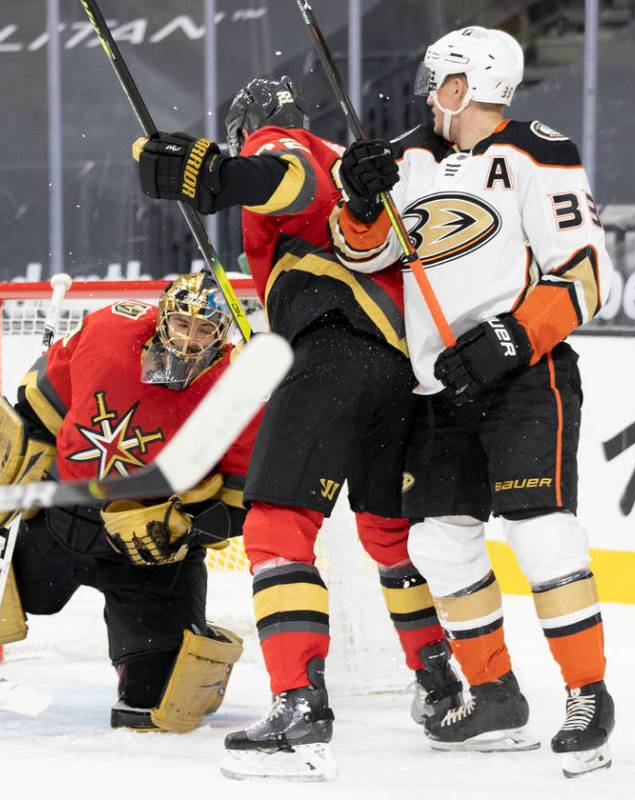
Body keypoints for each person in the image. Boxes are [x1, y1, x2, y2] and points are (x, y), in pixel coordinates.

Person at [133, 77, 456, 780]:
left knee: (275, 528)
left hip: (334, 347)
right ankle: (440, 681)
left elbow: (292, 181)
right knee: (385, 535)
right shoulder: (352, 159)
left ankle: (298, 703)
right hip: (400, 365)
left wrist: (216, 174)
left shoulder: (289, 143)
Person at [330, 27, 617, 778]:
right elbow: (364, 252)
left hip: (524, 378)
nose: (430, 93)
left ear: (469, 83)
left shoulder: (536, 150)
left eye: (440, 80)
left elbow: (585, 272)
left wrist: (509, 340)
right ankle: (492, 696)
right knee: (436, 543)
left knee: (540, 531)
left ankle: (587, 693)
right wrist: (360, 202)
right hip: (438, 387)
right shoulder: (405, 156)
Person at [0, 274, 254, 734]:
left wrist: (185, 526)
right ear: (162, 316)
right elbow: (35, 403)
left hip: (149, 557)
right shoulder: (108, 332)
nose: (189, 339)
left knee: (153, 706)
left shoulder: (240, 394)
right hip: (58, 522)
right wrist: (10, 466)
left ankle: (178, 642)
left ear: (223, 335)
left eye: (205, 330)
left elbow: (245, 500)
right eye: (181, 322)